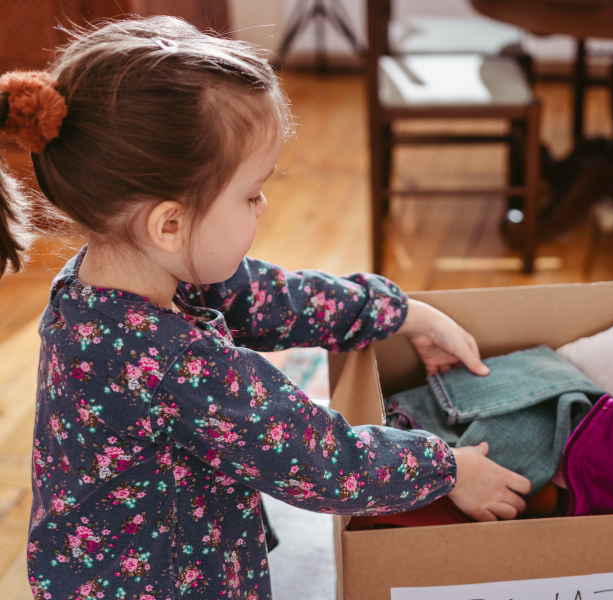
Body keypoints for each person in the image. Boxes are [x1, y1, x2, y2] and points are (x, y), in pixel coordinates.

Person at [0, 17, 531, 600]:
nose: (266, 203)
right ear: (170, 223)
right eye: (252, 193)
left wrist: (404, 314)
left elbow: (269, 296)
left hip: (106, 563)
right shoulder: (178, 364)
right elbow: (324, 460)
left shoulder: (101, 281)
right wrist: (449, 468)